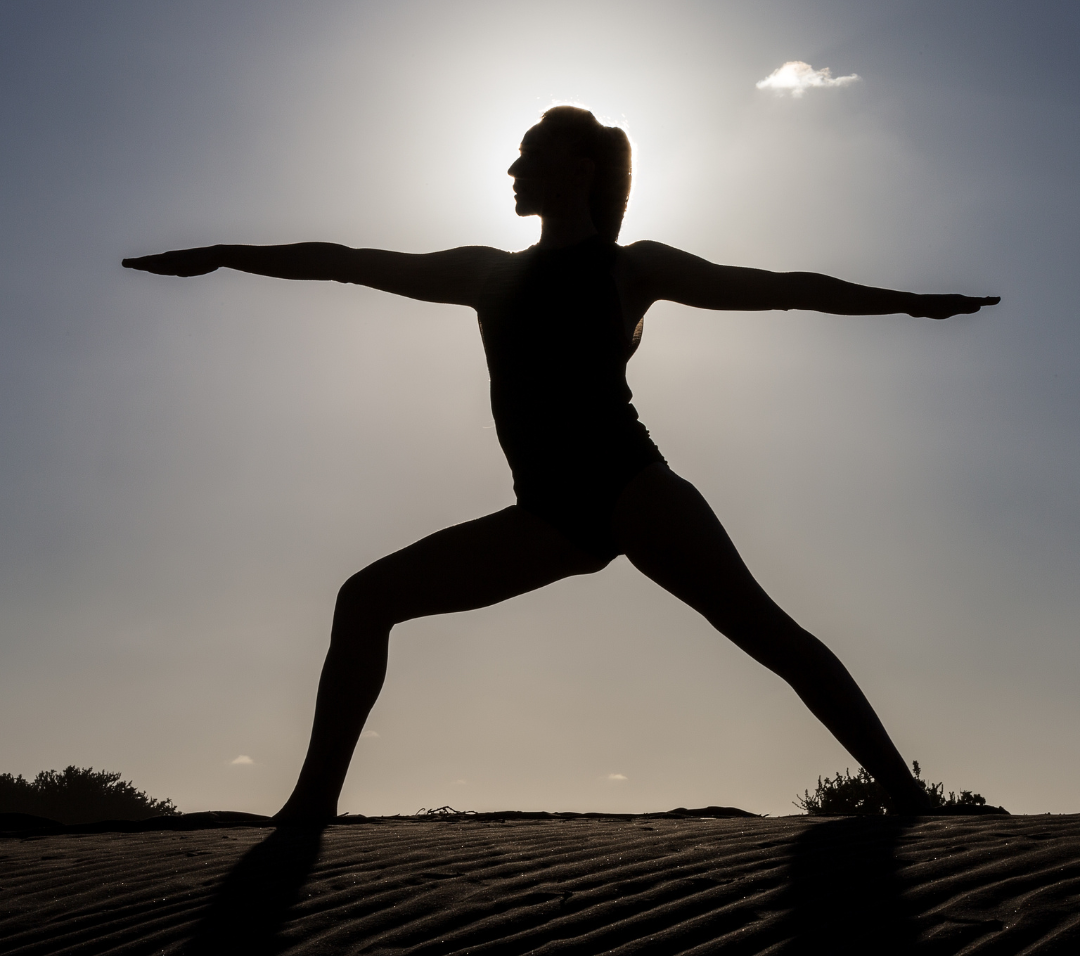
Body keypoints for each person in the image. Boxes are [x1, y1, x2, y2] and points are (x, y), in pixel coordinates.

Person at [124, 105, 999, 822]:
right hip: (546, 513)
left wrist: (912, 305)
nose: (511, 171)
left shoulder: (630, 269)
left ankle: (909, 798)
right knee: (367, 600)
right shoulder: (485, 274)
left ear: (577, 169)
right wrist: (225, 255)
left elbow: (787, 286)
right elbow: (349, 264)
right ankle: (310, 810)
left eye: (528, 156)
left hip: (631, 488)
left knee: (769, 636)